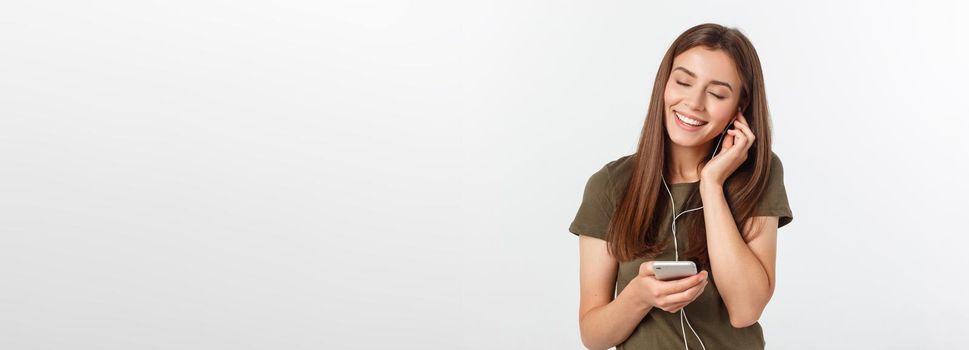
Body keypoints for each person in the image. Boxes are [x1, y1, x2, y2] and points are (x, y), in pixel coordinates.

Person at [569, 23, 794, 350]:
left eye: (717, 93)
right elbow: (593, 335)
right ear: (664, 84)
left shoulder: (757, 173)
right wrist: (639, 296)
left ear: (739, 107)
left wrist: (712, 184)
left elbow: (746, 310)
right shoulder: (609, 186)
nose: (694, 103)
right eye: (684, 82)